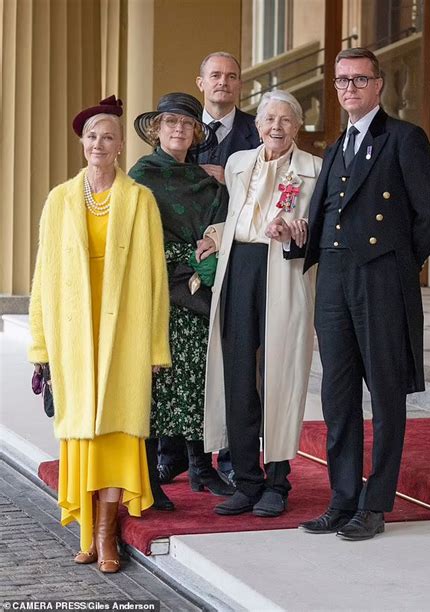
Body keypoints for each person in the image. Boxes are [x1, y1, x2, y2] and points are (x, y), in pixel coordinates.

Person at [268, 47, 430, 540]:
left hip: (380, 281)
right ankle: (342, 499)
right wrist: (295, 240)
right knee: (337, 394)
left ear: (378, 85)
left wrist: (397, 263)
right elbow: (329, 214)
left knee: (386, 396)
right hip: (333, 281)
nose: (349, 88)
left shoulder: (404, 138)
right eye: (341, 80)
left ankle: (375, 504)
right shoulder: (336, 147)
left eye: (359, 79)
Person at [28, 96, 171, 573]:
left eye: (108, 137)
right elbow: (43, 275)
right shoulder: (59, 199)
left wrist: (156, 346)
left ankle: (107, 536)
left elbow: (155, 279)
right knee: (83, 434)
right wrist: (41, 343)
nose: (99, 144)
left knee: (115, 433)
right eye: (92, 136)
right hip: (73, 334)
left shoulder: (140, 200)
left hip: (125, 335)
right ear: (82, 143)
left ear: (120, 145)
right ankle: (87, 532)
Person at [202, 90, 322, 518]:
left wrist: (298, 230)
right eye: (269, 119)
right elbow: (238, 218)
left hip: (284, 273)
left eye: (286, 120)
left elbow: (321, 230)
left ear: (297, 126)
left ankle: (277, 482)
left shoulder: (314, 170)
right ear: (257, 126)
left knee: (280, 374)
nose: (276, 127)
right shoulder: (238, 164)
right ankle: (246, 480)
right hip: (239, 269)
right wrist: (215, 235)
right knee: (238, 374)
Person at [158, 52, 261, 487]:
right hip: (180, 270)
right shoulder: (178, 128)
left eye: (231, 76)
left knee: (233, 362)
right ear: (201, 82)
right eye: (215, 75)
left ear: (240, 84)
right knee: (178, 361)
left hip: (239, 260)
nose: (223, 82)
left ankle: (233, 458)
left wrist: (230, 180)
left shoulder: (258, 130)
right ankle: (172, 455)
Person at [129, 92, 234, 501]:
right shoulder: (141, 176)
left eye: (187, 124)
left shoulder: (204, 178)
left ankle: (201, 469)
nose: (179, 129)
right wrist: (179, 259)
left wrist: (212, 246)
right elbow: (134, 235)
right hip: (158, 289)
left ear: (195, 133)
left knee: (198, 379)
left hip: (200, 291)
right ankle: (148, 476)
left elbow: (223, 220)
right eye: (171, 122)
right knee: (156, 384)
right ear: (157, 130)